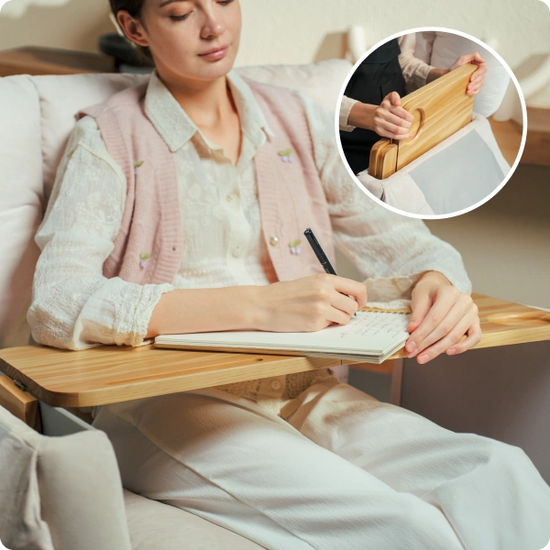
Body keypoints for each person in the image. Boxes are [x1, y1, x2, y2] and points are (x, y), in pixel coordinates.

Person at [28, 1, 550, 548]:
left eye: (225, 0)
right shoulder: (107, 139)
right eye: (181, 12)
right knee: (402, 528)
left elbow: (404, 243)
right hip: (167, 403)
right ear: (134, 28)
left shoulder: (295, 119)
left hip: (304, 388)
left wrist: (439, 281)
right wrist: (258, 306)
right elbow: (57, 302)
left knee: (497, 472)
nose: (214, 25)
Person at [339, 36, 487, 174]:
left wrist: (443, 76)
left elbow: (402, 59)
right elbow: (317, 90)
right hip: (344, 137)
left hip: (403, 123)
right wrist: (366, 115)